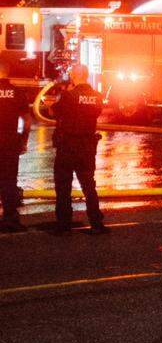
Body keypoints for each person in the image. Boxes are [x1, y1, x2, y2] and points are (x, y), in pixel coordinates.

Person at [51, 64, 108, 234]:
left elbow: (53, 112)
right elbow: (96, 113)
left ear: (74, 76)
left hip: (68, 146)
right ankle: (96, 223)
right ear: (87, 75)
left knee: (63, 186)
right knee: (89, 185)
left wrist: (63, 94)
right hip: (87, 146)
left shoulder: (68, 95)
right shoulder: (97, 97)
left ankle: (64, 225)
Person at [0, 62, 32, 232]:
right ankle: (10, 218)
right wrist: (23, 141)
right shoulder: (18, 93)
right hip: (10, 142)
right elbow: (27, 121)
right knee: (9, 181)